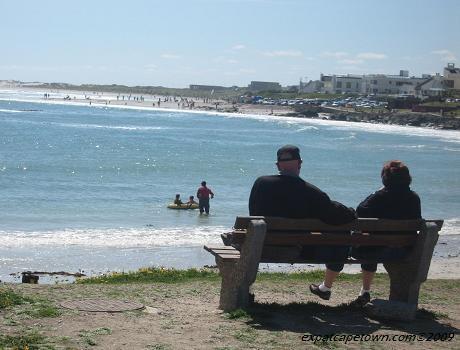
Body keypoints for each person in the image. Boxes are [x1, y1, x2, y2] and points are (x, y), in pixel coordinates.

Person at [309, 160, 421, 306]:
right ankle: (364, 292)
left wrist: (379, 191)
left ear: (385, 178)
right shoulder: (414, 198)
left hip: (374, 250)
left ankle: (327, 287)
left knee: (359, 244)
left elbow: (360, 210)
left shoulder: (379, 197)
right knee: (372, 242)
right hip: (403, 251)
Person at [249, 144, 356, 266]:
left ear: (278, 165)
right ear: (300, 163)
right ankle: (329, 281)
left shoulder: (260, 184)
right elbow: (336, 214)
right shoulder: (310, 192)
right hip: (295, 250)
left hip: (260, 246)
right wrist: (352, 211)